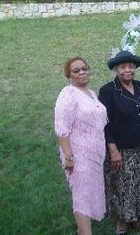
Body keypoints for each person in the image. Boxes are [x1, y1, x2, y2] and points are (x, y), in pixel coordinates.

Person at [98, 51, 140, 235]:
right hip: (121, 149)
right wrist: (113, 149)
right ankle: (122, 221)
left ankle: (139, 218)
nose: (128, 70)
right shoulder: (108, 90)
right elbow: (105, 123)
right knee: (121, 185)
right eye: (123, 67)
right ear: (116, 69)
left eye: (131, 67)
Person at [54, 57, 107, 235]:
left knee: (90, 191)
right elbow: (62, 129)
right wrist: (69, 157)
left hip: (95, 153)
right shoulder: (68, 94)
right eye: (76, 70)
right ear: (68, 74)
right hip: (78, 154)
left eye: (84, 68)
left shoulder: (91, 93)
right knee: (82, 194)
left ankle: (80, 230)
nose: (81, 72)